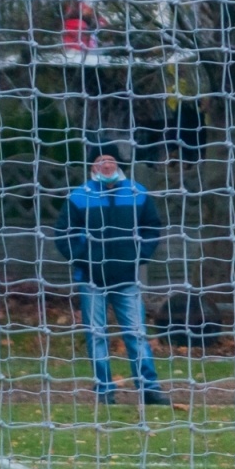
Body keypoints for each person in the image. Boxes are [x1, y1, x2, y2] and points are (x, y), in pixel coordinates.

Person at [54, 148, 170, 406]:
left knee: (137, 334)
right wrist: (85, 257)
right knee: (96, 335)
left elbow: (152, 228)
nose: (106, 164)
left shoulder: (136, 192)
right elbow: (62, 234)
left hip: (126, 278)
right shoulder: (79, 196)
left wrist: (138, 256)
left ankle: (149, 389)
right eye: (100, 160)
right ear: (92, 166)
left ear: (117, 163)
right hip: (91, 279)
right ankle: (105, 390)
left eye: (110, 160)